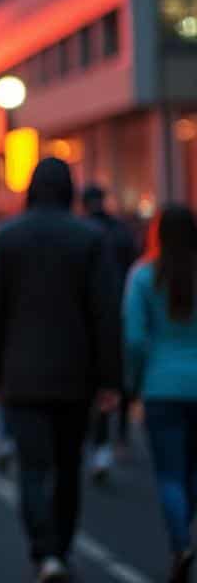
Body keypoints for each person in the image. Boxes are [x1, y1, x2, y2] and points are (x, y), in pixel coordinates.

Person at [0, 158, 122, 582]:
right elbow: (105, 314)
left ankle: (43, 552)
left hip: (21, 374)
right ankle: (61, 545)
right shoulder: (91, 238)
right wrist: (111, 379)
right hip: (75, 374)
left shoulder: (7, 238)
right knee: (68, 466)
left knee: (32, 468)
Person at [123, 206, 197, 582]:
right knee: (191, 474)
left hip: (161, 386)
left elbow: (134, 339)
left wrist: (131, 383)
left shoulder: (143, 276)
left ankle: (181, 543)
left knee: (170, 474)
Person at [81, 184, 140, 480]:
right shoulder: (121, 232)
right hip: (123, 310)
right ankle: (120, 432)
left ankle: (99, 441)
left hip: (88, 317)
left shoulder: (81, 231)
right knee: (117, 374)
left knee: (93, 377)